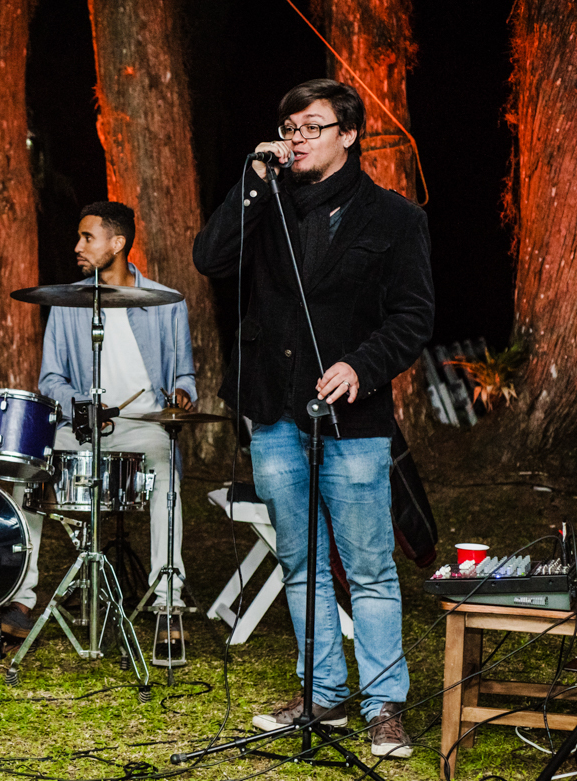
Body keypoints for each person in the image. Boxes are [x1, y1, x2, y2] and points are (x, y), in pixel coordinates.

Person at [192, 79, 433, 758]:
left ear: (348, 134)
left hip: (352, 419)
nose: (296, 139)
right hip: (273, 409)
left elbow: (413, 316)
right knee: (301, 562)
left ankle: (384, 704)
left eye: (312, 127)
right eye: (289, 128)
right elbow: (209, 258)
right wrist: (251, 183)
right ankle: (323, 693)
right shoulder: (266, 201)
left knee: (369, 567)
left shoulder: (394, 217)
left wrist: (362, 365)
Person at [0, 201, 196, 657]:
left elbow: (185, 373)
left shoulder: (166, 301)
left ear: (117, 243)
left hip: (144, 426)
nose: (78, 247)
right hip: (82, 426)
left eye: (88, 238)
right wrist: (82, 405)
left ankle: (168, 604)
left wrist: (183, 392)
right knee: (28, 470)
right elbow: (50, 379)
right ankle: (21, 599)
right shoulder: (68, 303)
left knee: (167, 478)